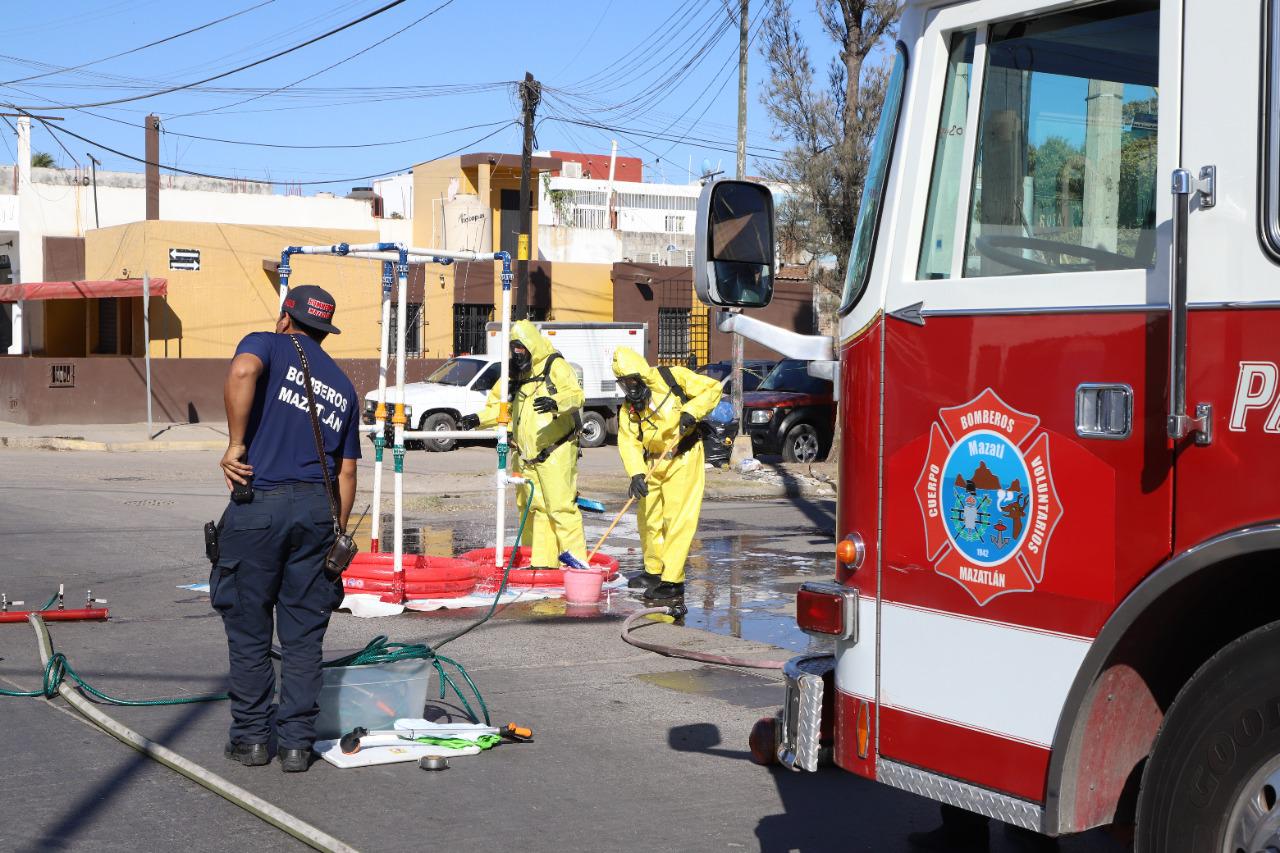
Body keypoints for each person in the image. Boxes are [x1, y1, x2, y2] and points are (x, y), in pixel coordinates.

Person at [215, 284, 361, 773]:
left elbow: (241, 370)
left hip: (259, 505)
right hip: (317, 514)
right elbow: (346, 473)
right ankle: (297, 745)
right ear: (325, 330)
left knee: (250, 628)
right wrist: (333, 534)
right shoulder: (342, 385)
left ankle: (254, 740)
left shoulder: (267, 343)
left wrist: (236, 444)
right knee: (302, 638)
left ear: (285, 318)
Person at [459, 319, 587, 569]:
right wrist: (477, 419)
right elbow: (498, 407)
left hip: (555, 452)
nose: (518, 355)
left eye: (522, 349)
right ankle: (539, 562)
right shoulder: (515, 373)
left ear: (531, 346)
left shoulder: (554, 365)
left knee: (561, 510)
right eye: (514, 349)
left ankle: (579, 568)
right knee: (532, 509)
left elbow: (576, 395)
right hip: (525, 456)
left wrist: (556, 403)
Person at [612, 348, 721, 600]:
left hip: (682, 457)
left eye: (632, 381)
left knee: (676, 519)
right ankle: (654, 570)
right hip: (652, 462)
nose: (629, 389)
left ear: (642, 376)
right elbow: (628, 441)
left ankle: (672, 580)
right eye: (623, 384)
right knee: (649, 518)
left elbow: (712, 389)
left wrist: (691, 412)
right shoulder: (629, 408)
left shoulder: (672, 377)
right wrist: (636, 473)